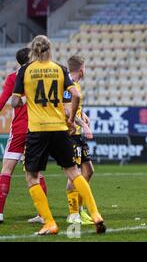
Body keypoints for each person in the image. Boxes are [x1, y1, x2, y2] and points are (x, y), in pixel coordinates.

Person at [11, 35, 105, 235]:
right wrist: (71, 120)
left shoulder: (25, 70)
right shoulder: (60, 68)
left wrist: (22, 99)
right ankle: (95, 214)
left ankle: (50, 223)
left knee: (31, 176)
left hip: (37, 130)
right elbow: (77, 95)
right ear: (49, 49)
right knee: (74, 173)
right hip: (60, 129)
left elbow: (15, 102)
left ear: (33, 50)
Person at [0, 47, 47, 224]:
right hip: (37, 128)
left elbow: (2, 100)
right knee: (36, 173)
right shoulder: (41, 75)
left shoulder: (13, 77)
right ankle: (43, 215)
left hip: (19, 129)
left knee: (6, 170)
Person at [63, 55, 96, 225]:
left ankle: (80, 210)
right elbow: (67, 111)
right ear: (81, 69)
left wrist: (83, 115)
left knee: (88, 171)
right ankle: (74, 214)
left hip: (76, 135)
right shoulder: (67, 85)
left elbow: (74, 108)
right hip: (69, 136)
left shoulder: (74, 84)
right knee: (73, 176)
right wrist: (84, 125)